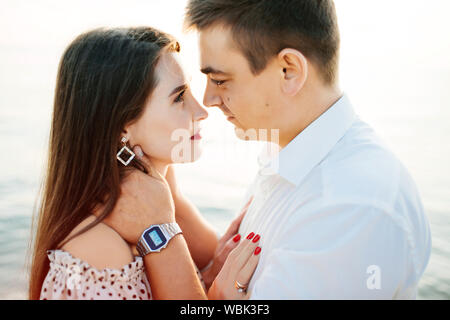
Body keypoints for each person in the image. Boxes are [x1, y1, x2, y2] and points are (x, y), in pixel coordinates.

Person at [179, 0, 432, 299]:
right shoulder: (290, 154)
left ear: (289, 70)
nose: (209, 99)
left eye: (220, 80)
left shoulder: (350, 206)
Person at [28, 26, 261, 300]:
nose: (201, 111)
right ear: (122, 128)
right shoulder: (99, 252)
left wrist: (209, 280)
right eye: (178, 98)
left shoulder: (160, 201)